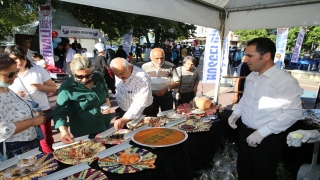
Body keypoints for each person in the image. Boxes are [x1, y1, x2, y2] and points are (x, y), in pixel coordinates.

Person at [228, 37, 303, 180]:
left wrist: (262, 133)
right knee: (244, 171)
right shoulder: (252, 76)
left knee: (263, 174)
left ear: (267, 56)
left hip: (268, 138)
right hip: (245, 132)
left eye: (250, 55)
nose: (246, 59)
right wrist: (236, 113)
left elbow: (293, 113)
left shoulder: (284, 81)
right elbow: (246, 99)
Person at [5, 45, 57, 154]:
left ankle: (51, 162)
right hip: (21, 117)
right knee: (30, 143)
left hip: (41, 111)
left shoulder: (37, 69)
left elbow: (53, 88)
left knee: (46, 140)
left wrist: (41, 87)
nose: (19, 61)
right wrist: (15, 95)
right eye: (15, 58)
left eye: (22, 57)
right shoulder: (5, 75)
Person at [53, 54, 112, 143]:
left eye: (88, 75)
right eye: (79, 76)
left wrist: (107, 102)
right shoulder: (67, 87)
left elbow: (105, 89)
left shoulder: (98, 76)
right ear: (73, 73)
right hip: (84, 130)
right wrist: (64, 132)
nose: (84, 80)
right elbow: (59, 112)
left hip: (104, 123)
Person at [0, 54, 46, 159]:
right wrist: (33, 122)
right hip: (16, 147)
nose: (15, 76)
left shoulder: (6, 89)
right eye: (10, 74)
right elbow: (3, 130)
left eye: (16, 72)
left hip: (28, 143)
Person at [110, 58, 153, 130]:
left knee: (141, 135)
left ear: (129, 67)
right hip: (124, 110)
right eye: (116, 74)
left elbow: (139, 102)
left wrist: (125, 118)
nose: (119, 77)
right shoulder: (120, 70)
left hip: (140, 111)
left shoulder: (142, 78)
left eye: (121, 73)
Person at [142, 48, 180, 115]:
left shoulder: (170, 66)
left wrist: (165, 90)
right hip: (151, 97)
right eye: (157, 58)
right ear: (150, 58)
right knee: (151, 118)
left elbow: (177, 81)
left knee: (168, 117)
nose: (160, 61)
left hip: (166, 96)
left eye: (162, 58)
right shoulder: (145, 67)